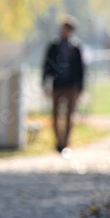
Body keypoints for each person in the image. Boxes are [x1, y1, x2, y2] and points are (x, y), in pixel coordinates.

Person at [42, 16, 84, 153]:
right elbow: (47, 65)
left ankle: (65, 142)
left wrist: (80, 88)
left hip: (71, 85)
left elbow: (81, 69)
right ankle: (58, 141)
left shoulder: (76, 47)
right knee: (55, 115)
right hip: (57, 84)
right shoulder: (54, 46)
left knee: (69, 116)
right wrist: (45, 82)